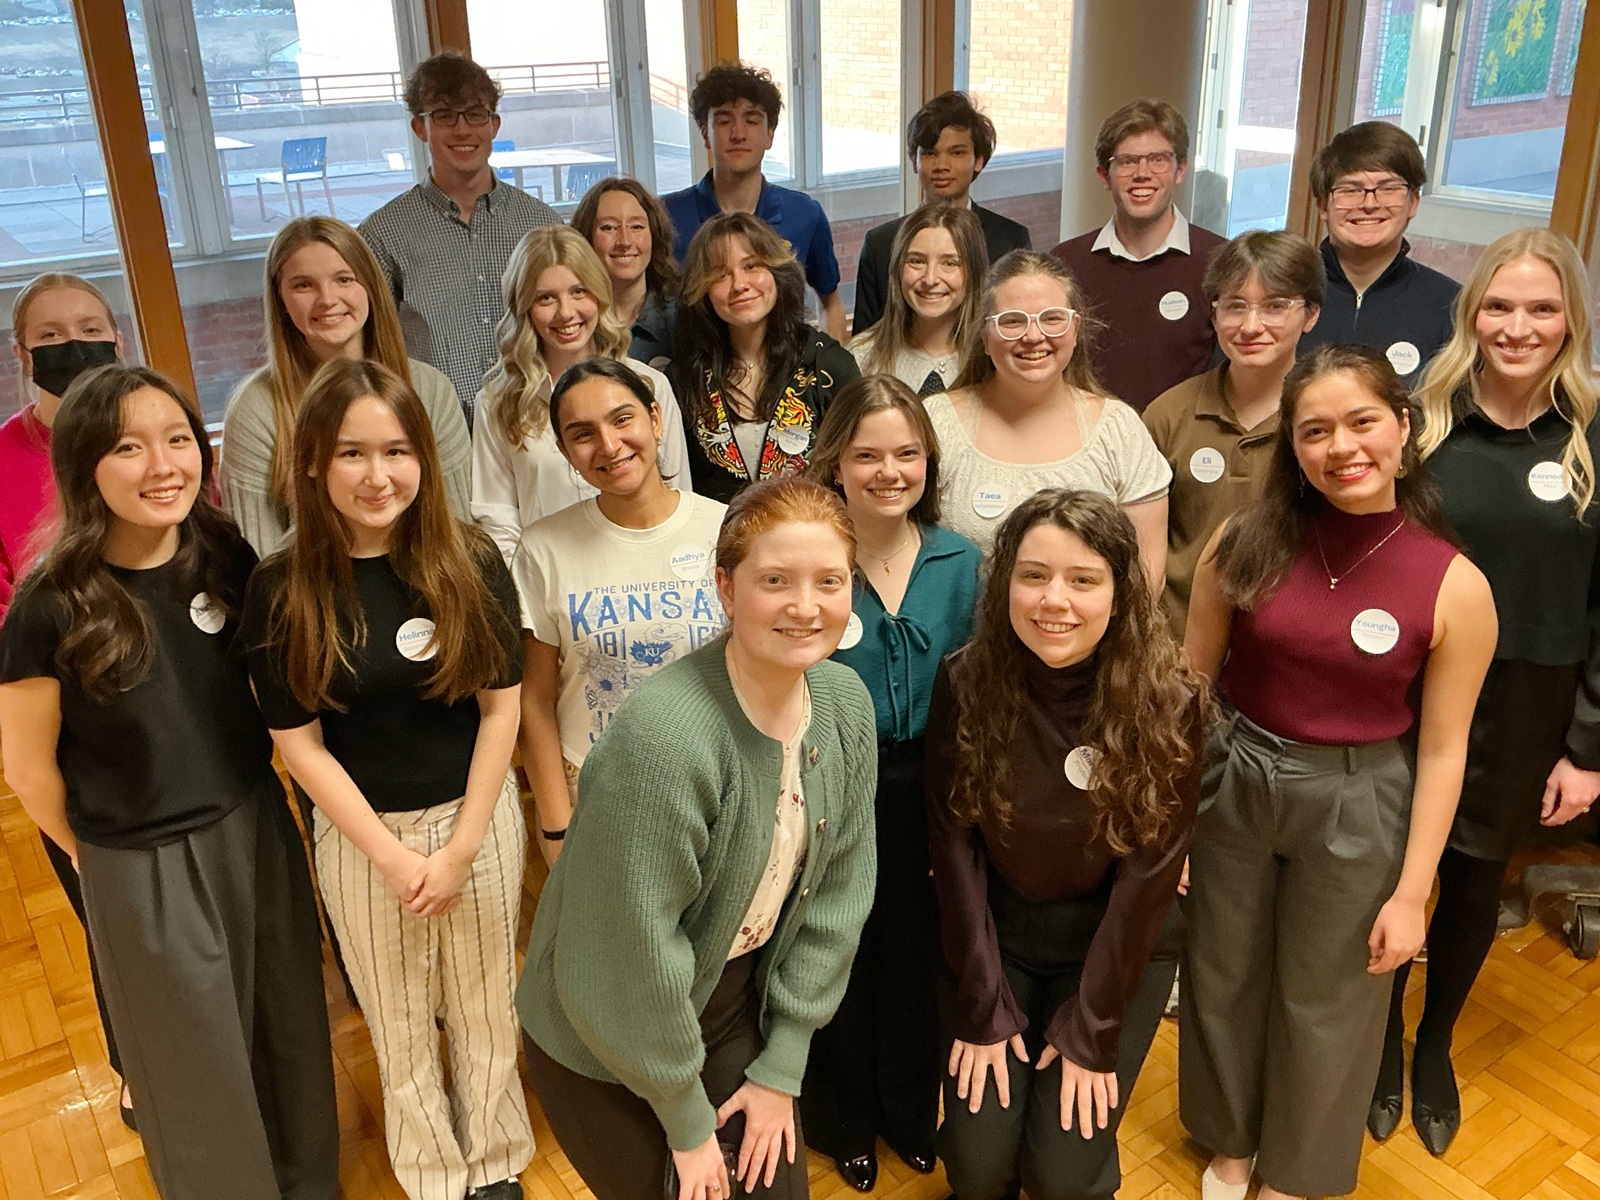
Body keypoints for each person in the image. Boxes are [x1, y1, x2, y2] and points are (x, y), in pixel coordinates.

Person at [0, 363, 338, 1200]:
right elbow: (26, 764)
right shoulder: (50, 602)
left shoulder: (221, 550)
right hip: (139, 856)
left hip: (253, 823)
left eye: (178, 439)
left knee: (289, 1025)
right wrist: (93, 856)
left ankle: (308, 1181)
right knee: (193, 1063)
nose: (162, 466)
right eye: (127, 447)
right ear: (84, 467)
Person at [1181, 344, 1496, 1200]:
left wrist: (1412, 891)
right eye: (1314, 431)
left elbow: (1442, 749)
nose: (1341, 448)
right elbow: (1193, 687)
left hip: (1359, 797)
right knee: (1223, 970)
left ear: (1402, 427)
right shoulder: (1241, 543)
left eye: (1362, 422)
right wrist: (1175, 817)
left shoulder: (1454, 583)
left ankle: (1296, 1172)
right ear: (1292, 447)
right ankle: (1231, 1143)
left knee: (1331, 998)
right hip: (1237, 778)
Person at [518, 476, 878, 1200]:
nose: (806, 607)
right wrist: (687, 1127)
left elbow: (840, 895)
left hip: (726, 1000)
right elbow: (634, 954)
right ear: (726, 588)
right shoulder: (666, 738)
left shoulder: (843, 705)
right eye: (775, 580)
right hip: (604, 1026)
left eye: (828, 581)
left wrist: (783, 1065)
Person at [240, 359, 533, 1200]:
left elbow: (501, 713)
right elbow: (301, 748)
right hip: (363, 837)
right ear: (311, 466)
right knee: (398, 1019)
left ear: (425, 459)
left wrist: (464, 842)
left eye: (397, 451)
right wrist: (398, 860)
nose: (378, 476)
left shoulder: (468, 558)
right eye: (352, 455)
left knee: (484, 1004)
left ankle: (495, 1164)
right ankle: (436, 1175)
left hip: (475, 818)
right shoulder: (281, 589)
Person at [1368, 228, 1600, 1157]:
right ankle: (1377, 1041)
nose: (1518, 326)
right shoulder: (1422, 423)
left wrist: (1586, 748)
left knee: (1469, 881)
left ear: (1571, 321)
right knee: (1391, 866)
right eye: (1499, 306)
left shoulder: (1591, 439)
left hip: (1529, 704)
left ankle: (1433, 1046)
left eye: (1542, 308)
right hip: (1404, 690)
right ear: (1472, 315)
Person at [927, 488, 1203, 1200]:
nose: (1055, 600)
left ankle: (1075, 1151)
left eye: (1083, 580)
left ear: (1119, 592)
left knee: (1060, 1181)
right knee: (979, 1171)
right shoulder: (964, 679)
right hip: (1000, 939)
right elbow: (953, 848)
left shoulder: (1170, 700)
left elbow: (1150, 877)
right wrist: (982, 1002)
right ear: (1006, 584)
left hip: (1111, 945)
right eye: (1033, 575)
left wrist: (1094, 1027)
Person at [798, 376, 982, 1191]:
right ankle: (841, 1117)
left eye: (907, 453)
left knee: (915, 957)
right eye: (866, 453)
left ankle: (910, 1110)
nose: (888, 470)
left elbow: (985, 687)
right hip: (829, 788)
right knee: (835, 953)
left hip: (931, 790)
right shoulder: (811, 558)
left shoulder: (961, 559)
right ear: (834, 460)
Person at [511, 358, 727, 860]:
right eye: (582, 434)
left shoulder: (725, 529)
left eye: (622, 419)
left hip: (718, 783)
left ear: (655, 419)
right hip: (597, 793)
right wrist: (556, 825)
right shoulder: (543, 548)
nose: (608, 446)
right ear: (565, 451)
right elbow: (536, 703)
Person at [1, 273, 128, 1120]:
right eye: (51, 335)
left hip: (170, 702)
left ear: (118, 337)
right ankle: (136, 1063)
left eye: (89, 326)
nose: (72, 344)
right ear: (23, 356)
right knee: (108, 911)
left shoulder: (148, 434)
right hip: (63, 723)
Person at [223, 215, 472, 558]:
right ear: (280, 299)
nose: (327, 299)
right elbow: (258, 561)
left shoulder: (431, 391)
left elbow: (456, 529)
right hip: (312, 601)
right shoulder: (257, 408)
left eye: (344, 279)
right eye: (303, 285)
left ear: (370, 285)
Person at [924, 250, 1170, 583]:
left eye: (1052, 318)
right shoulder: (935, 423)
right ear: (984, 336)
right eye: (1012, 321)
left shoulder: (1119, 430)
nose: (1034, 336)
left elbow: (1144, 580)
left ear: (1075, 328)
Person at [360, 50, 560, 419]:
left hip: (534, 418)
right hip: (437, 425)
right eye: (444, 115)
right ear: (420, 128)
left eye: (475, 113)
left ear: (494, 124)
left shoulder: (542, 225)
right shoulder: (381, 235)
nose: (463, 129)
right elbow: (371, 347)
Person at [1142, 230, 1325, 635]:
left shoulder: (1329, 423)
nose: (1250, 326)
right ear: (1214, 313)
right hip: (1174, 646)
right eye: (1235, 306)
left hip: (1285, 647)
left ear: (1311, 314)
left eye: (1275, 306)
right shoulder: (1169, 414)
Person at [471, 225, 692, 558]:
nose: (566, 312)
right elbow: (498, 523)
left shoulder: (649, 386)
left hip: (643, 577)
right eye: (545, 297)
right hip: (548, 584)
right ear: (525, 306)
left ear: (600, 294)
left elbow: (677, 498)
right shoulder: (498, 401)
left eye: (579, 291)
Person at [1050, 99, 1227, 412]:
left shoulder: (1221, 261)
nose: (1142, 174)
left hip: (1179, 452)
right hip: (1086, 447)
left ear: (1181, 170)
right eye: (1127, 161)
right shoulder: (1066, 264)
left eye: (1158, 160)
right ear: (1104, 175)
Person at [673, 211, 861, 503]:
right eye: (721, 274)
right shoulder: (684, 380)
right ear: (703, 289)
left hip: (814, 540)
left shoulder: (830, 366)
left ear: (776, 271)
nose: (739, 284)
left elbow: (858, 474)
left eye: (751, 266)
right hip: (717, 545)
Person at [664, 63, 846, 342]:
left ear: (770, 134)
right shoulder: (666, 218)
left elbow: (830, 302)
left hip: (787, 375)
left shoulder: (804, 214)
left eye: (751, 120)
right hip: (693, 375)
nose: (738, 133)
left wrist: (836, 371)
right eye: (724, 121)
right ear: (705, 134)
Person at [851, 92, 1031, 336]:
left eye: (956, 153)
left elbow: (1018, 327)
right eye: (929, 153)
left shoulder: (1010, 240)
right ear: (914, 161)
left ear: (978, 160)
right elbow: (867, 340)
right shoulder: (881, 243)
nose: (941, 165)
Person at [1299, 122, 1459, 382]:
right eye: (1350, 190)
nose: (1369, 204)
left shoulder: (1450, 306)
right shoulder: (1284, 292)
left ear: (1413, 202)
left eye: (1388, 188)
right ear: (1322, 206)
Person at [848, 203, 989, 397]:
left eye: (950, 263)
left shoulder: (994, 360)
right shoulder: (860, 357)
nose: (930, 279)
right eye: (916, 261)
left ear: (974, 272)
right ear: (898, 269)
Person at [572, 175, 682, 366]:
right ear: (586, 238)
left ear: (654, 235)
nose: (624, 241)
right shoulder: (572, 323)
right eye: (608, 228)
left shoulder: (684, 317)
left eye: (636, 226)